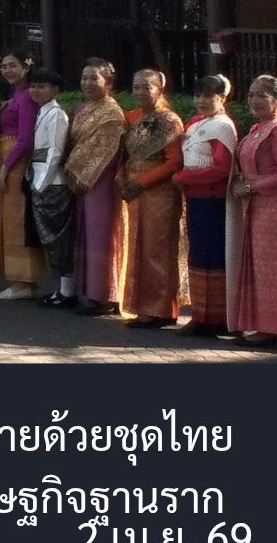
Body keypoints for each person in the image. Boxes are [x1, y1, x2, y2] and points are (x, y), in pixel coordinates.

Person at [118, 68, 185, 328]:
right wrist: (122, 176)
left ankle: (160, 309)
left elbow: (173, 162)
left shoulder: (170, 121)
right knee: (136, 247)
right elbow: (123, 155)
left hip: (159, 192)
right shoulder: (132, 117)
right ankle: (139, 306)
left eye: (146, 87)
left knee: (157, 249)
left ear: (160, 89)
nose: (140, 92)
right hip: (134, 191)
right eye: (136, 87)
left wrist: (141, 182)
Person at [174, 73, 238, 334]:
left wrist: (182, 177)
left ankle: (216, 318)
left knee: (212, 256)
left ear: (222, 98)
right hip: (196, 198)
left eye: (208, 96)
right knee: (198, 254)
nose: (200, 100)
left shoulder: (222, 126)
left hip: (212, 199)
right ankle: (201, 314)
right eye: (197, 95)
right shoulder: (196, 123)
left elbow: (222, 168)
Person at [64, 59, 126, 316]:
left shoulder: (112, 113)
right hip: (81, 179)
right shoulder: (82, 109)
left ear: (108, 84)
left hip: (101, 179)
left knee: (99, 236)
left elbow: (105, 151)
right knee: (85, 233)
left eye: (94, 79)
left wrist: (81, 173)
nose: (87, 83)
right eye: (84, 78)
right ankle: (85, 290)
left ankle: (101, 295)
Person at [0, 51, 46, 300]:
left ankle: (22, 280)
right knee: (11, 216)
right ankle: (20, 279)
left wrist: (6, 166)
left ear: (25, 67)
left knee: (16, 218)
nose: (8, 71)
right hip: (9, 155)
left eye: (13, 66)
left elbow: (25, 138)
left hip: (16, 159)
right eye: (4, 66)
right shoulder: (17, 95)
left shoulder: (25, 97)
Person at [21, 65, 75, 309]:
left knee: (57, 238)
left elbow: (54, 151)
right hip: (38, 177)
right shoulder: (42, 112)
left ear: (55, 89)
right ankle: (61, 288)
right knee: (48, 239)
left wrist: (41, 183)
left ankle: (67, 290)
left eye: (41, 86)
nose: (35, 90)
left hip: (51, 182)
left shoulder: (56, 115)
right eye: (33, 86)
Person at [228, 75, 277, 342]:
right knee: (256, 266)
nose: (255, 100)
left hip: (271, 206)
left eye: (262, 95)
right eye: (251, 94)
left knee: (270, 267)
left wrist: (250, 188)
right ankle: (260, 325)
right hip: (253, 206)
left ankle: (271, 329)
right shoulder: (257, 128)